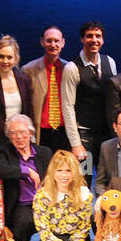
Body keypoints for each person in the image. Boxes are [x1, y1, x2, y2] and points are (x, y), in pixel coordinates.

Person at [0, 114, 53, 241]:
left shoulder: (44, 152)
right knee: (22, 223)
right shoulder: (5, 152)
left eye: (23, 132)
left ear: (30, 133)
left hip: (46, 203)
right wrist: (26, 171)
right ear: (9, 136)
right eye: (14, 133)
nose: (19, 137)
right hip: (22, 206)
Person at [61, 21, 117, 171]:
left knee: (107, 180)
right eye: (89, 36)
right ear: (82, 39)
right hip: (83, 137)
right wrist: (75, 143)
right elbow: (67, 107)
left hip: (106, 136)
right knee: (82, 182)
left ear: (103, 40)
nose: (94, 40)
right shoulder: (72, 68)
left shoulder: (110, 62)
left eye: (98, 36)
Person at [21, 26, 74, 154]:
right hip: (41, 132)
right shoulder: (28, 70)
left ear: (63, 43)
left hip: (65, 132)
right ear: (42, 42)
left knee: (64, 171)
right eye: (49, 40)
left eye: (56, 41)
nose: (53, 44)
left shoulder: (70, 68)